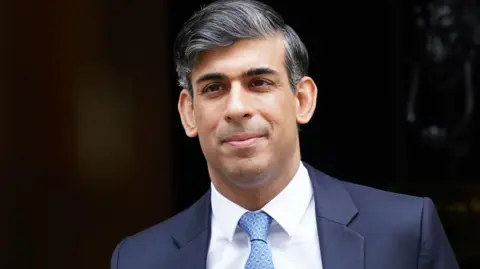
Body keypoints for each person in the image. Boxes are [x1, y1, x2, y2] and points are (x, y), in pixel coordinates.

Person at [110, 0, 460, 268]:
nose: (236, 108)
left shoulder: (405, 232)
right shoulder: (139, 259)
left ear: (302, 100)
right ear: (188, 113)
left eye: (259, 83)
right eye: (214, 87)